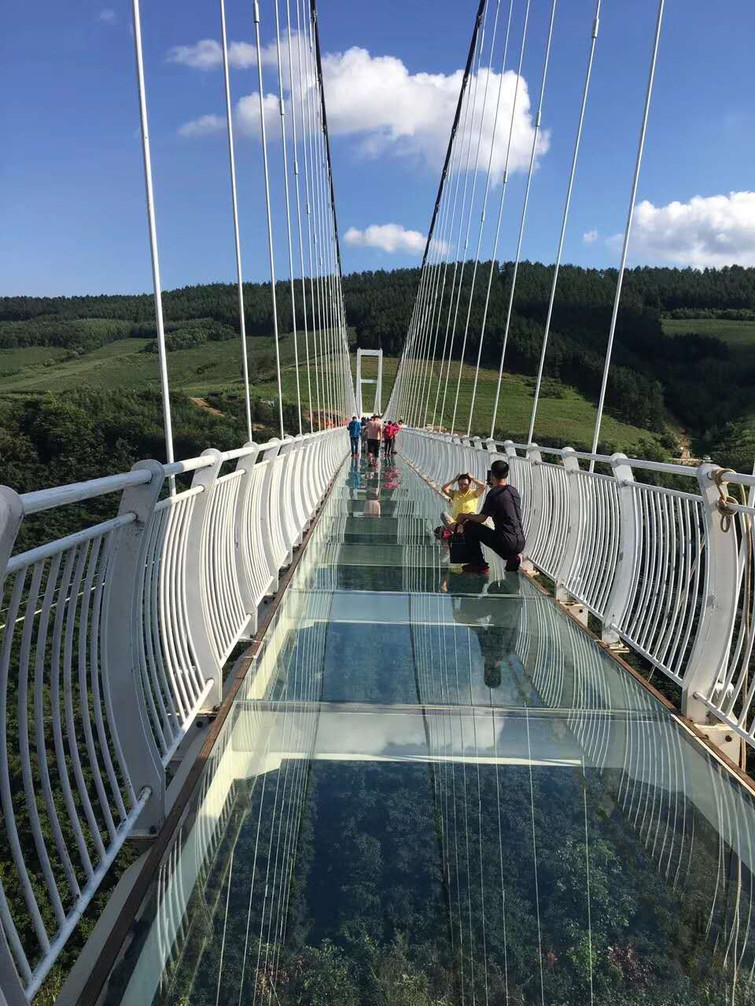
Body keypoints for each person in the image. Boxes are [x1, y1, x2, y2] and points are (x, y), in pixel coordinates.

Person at [456, 459, 525, 574]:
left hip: (505, 543)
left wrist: (463, 515)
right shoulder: (513, 491)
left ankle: (478, 564)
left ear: (492, 474)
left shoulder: (493, 494)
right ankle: (512, 556)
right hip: (520, 543)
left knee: (470, 526)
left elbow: (481, 519)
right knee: (505, 539)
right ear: (506, 474)